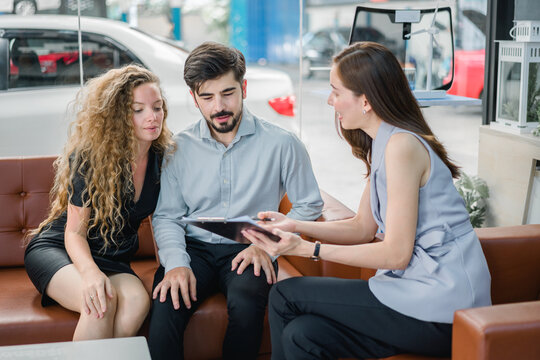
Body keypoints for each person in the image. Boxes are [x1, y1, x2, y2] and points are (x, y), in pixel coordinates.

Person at [242, 41, 492, 360]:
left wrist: (306, 248)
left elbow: (397, 254)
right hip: (412, 292)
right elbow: (362, 227)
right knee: (302, 335)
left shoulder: (402, 147)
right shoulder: (383, 144)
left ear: (366, 100)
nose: (330, 100)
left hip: (442, 306)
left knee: (284, 295)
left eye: (336, 91)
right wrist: (294, 224)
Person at [148, 41, 324, 360]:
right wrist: (175, 264)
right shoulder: (177, 148)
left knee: (246, 304)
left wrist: (267, 243)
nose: (219, 106)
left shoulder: (283, 143)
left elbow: (309, 204)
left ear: (243, 87)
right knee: (165, 302)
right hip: (194, 248)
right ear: (194, 98)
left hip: (251, 246)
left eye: (228, 93)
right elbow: (167, 216)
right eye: (207, 97)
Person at [24, 64, 175, 340]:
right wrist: (91, 273)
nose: (152, 117)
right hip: (62, 250)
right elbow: (74, 232)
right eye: (137, 110)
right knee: (101, 304)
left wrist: (172, 265)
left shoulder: (162, 157)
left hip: (114, 259)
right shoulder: (90, 157)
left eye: (157, 107)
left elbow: (165, 220)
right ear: (117, 116)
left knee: (138, 302)